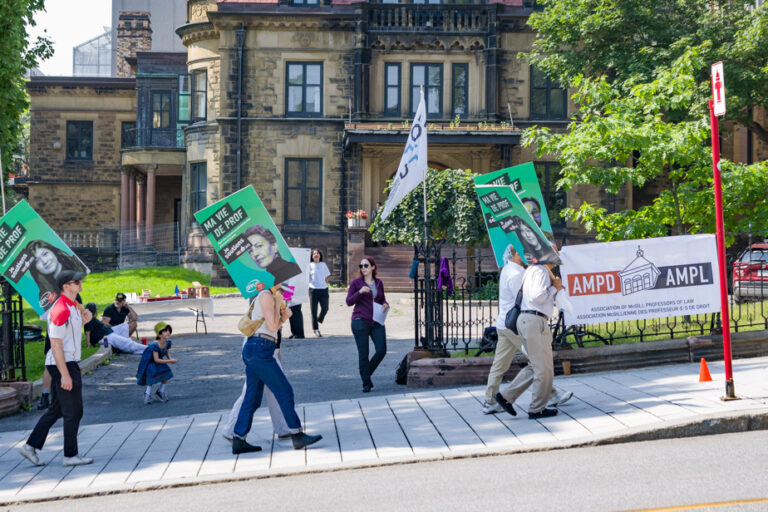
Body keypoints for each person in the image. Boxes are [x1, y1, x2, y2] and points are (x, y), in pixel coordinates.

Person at [232, 283, 322, 454]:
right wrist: (279, 303)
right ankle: (297, 435)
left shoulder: (271, 297)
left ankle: (239, 439)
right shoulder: (266, 296)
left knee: (253, 397)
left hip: (259, 348)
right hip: (259, 349)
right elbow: (273, 327)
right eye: (283, 280)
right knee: (284, 390)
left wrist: (284, 316)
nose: (286, 283)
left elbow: (273, 325)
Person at [482, 245, 572, 415]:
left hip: (505, 323)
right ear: (515, 254)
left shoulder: (513, 270)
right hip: (517, 324)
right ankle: (547, 398)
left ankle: (491, 400)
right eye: (553, 251)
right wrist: (555, 288)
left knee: (502, 365)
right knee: (539, 364)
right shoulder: (520, 273)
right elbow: (532, 297)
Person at [18, 270, 94, 467]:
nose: (80, 284)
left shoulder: (73, 305)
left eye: (79, 281)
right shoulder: (60, 309)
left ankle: (30, 446)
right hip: (63, 364)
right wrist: (65, 375)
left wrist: (85, 315)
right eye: (76, 282)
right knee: (74, 411)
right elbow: (56, 344)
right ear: (65, 286)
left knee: (57, 410)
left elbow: (76, 324)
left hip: (66, 363)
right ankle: (70, 455)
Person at [495, 259, 564, 419]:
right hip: (534, 320)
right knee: (543, 368)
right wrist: (555, 288)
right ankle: (536, 408)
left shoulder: (533, 270)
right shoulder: (540, 270)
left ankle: (506, 397)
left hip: (528, 319)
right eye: (553, 250)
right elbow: (537, 296)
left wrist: (554, 288)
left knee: (537, 366)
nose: (556, 254)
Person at [221, 297, 292, 444]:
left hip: (268, 346)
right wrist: (281, 314)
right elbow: (271, 323)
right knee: (254, 393)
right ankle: (232, 430)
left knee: (261, 392)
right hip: (261, 347)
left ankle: (283, 428)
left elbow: (277, 320)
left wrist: (283, 308)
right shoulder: (264, 294)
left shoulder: (275, 293)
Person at [346, 256, 389, 393]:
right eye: (361, 266)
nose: (363, 268)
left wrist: (385, 304)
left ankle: (366, 373)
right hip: (360, 321)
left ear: (372, 267)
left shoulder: (379, 283)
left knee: (381, 350)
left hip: (377, 321)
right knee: (363, 353)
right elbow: (348, 301)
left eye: (366, 265)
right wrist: (360, 292)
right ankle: (366, 383)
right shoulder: (356, 283)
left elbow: (382, 299)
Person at [25, 240, 86, 311]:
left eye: (45, 254)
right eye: (37, 260)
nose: (44, 261)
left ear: (53, 251)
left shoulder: (77, 266)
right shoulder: (45, 293)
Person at [136, 322, 178, 404]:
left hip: (160, 362)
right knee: (151, 378)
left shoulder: (167, 342)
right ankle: (147, 394)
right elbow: (156, 359)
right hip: (150, 363)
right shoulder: (155, 345)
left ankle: (160, 391)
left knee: (167, 374)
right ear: (159, 334)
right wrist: (169, 361)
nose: (168, 332)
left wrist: (170, 357)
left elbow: (166, 351)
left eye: (169, 330)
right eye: (165, 331)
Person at [308, 249, 330, 337]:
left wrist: (325, 283)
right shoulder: (309, 265)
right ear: (312, 256)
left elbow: (327, 276)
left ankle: (319, 319)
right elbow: (307, 277)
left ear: (320, 255)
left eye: (317, 253)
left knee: (325, 308)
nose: (316, 255)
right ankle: (316, 329)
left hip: (323, 289)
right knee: (314, 310)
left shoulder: (323, 265)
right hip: (313, 289)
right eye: (314, 254)